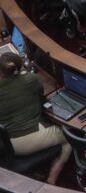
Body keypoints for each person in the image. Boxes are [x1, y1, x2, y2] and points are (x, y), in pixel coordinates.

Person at [0, 52, 72, 184]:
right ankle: (52, 179)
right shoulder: (31, 79)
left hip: (7, 144)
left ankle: (39, 170)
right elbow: (40, 94)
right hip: (26, 141)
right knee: (70, 137)